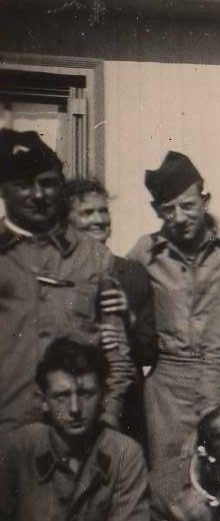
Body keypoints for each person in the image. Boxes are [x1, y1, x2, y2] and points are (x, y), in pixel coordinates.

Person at [0, 129, 134, 434]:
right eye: (23, 185)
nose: (37, 195)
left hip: (77, 434)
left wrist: (108, 418)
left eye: (47, 184)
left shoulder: (94, 258)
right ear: (3, 190)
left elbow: (117, 354)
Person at [0, 337, 150, 521]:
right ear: (44, 400)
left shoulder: (124, 453)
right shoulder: (16, 449)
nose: (75, 408)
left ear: (103, 395)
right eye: (61, 396)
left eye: (86, 393)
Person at [127, 151, 220, 467]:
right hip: (167, 386)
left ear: (206, 201)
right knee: (169, 474)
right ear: (156, 210)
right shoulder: (145, 252)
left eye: (188, 206)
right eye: (168, 209)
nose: (179, 217)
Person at [65, 178, 156, 446]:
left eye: (103, 211)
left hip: (125, 403)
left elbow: (150, 350)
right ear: (66, 221)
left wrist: (129, 318)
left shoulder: (132, 273)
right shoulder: (57, 273)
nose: (98, 219)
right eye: (87, 212)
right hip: (73, 399)